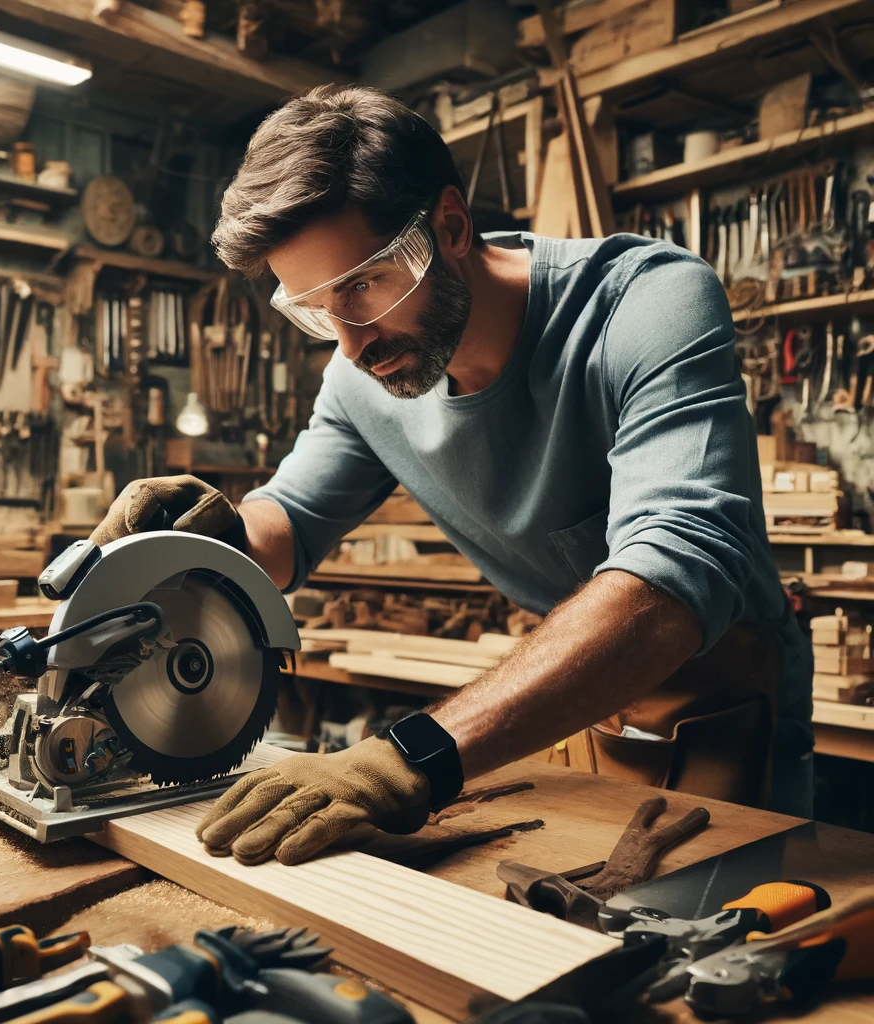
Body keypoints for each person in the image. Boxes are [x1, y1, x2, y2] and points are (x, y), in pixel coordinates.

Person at [91, 85, 813, 867]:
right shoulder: (362, 378)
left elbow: (677, 575)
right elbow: (292, 518)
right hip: (562, 686)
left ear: (451, 225)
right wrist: (208, 544)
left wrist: (408, 758)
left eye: (363, 284)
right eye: (316, 309)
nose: (351, 343)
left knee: (723, 917)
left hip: (719, 696)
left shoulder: (645, 304)